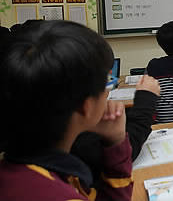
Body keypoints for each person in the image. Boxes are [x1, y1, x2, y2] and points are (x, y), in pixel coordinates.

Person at [0, 20, 133, 200]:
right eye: (106, 83)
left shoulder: (23, 170)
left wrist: (115, 142)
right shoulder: (56, 194)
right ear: (85, 106)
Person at [71, 75, 160, 180]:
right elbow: (125, 152)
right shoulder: (84, 147)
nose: (107, 94)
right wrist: (146, 98)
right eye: (105, 85)